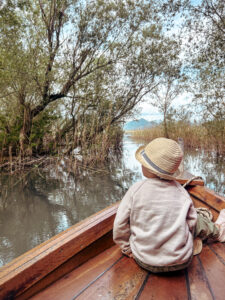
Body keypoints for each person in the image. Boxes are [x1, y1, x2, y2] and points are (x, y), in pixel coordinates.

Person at [113, 137, 225, 273]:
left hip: (144, 260)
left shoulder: (135, 190)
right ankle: (217, 230)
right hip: (181, 261)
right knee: (198, 219)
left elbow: (120, 225)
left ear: (147, 169)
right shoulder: (181, 193)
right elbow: (192, 225)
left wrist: (128, 249)